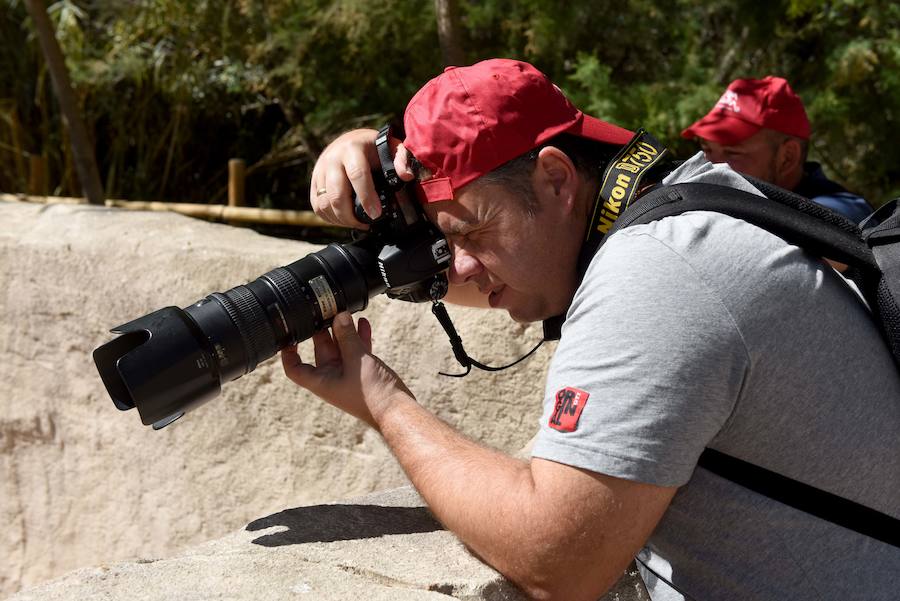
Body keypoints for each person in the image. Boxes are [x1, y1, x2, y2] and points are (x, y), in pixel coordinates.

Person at [281, 59, 900, 600]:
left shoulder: (659, 269)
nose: (459, 266)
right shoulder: (685, 208)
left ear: (556, 178)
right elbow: (494, 264)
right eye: (447, 241)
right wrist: (368, 152)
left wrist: (385, 404)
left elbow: (558, 562)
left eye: (471, 233)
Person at [682, 76, 873, 223]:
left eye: (732, 152)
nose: (711, 166)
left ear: (787, 157)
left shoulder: (839, 214)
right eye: (706, 149)